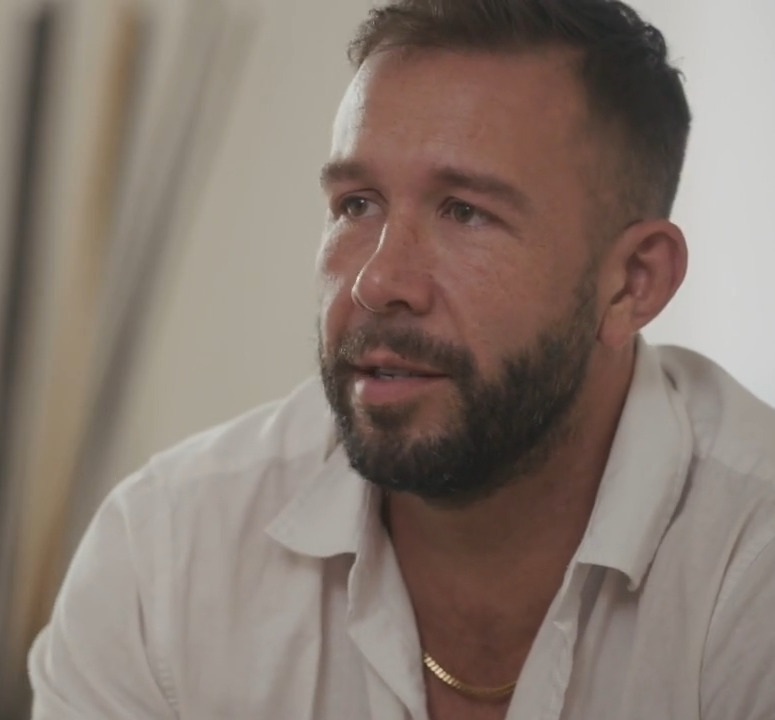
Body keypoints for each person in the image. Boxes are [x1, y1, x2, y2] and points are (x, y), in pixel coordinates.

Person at [29, 0, 775, 718]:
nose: (378, 281)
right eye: (357, 204)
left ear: (633, 282)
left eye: (466, 212)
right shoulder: (165, 556)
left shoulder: (750, 565)